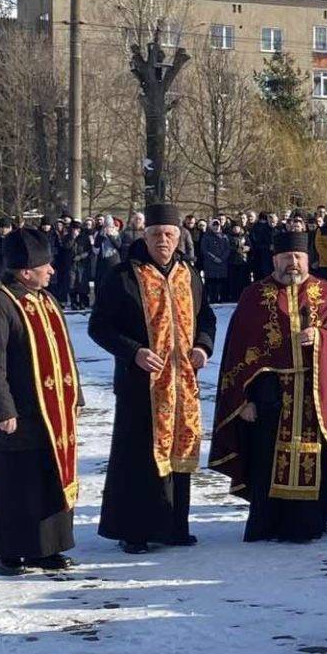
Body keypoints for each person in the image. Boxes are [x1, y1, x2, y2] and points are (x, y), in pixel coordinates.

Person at [209, 229, 327, 543]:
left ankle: (315, 520)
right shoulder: (254, 296)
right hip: (270, 396)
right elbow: (237, 354)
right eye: (286, 257)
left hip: (315, 393)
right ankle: (268, 521)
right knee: (267, 459)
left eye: (299, 257)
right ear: (274, 259)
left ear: (308, 260)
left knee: (317, 458)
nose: (293, 263)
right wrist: (243, 400)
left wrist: (322, 338)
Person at [90, 203, 218, 554]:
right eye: (157, 234)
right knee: (139, 457)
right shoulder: (122, 275)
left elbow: (206, 318)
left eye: (170, 235)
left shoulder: (189, 274)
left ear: (179, 237)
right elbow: (99, 326)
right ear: (144, 236)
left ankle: (175, 526)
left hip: (182, 384)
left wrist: (203, 348)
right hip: (139, 385)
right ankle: (135, 531)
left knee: (179, 452)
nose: (163, 240)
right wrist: (133, 351)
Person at [0, 227, 82, 575]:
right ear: (25, 270)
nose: (52, 271)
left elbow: (65, 352)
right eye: (45, 265)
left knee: (47, 479)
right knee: (16, 482)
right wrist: (2, 409)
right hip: (18, 413)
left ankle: (46, 548)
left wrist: (75, 393)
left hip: (53, 412)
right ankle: (10, 550)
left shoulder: (46, 300)